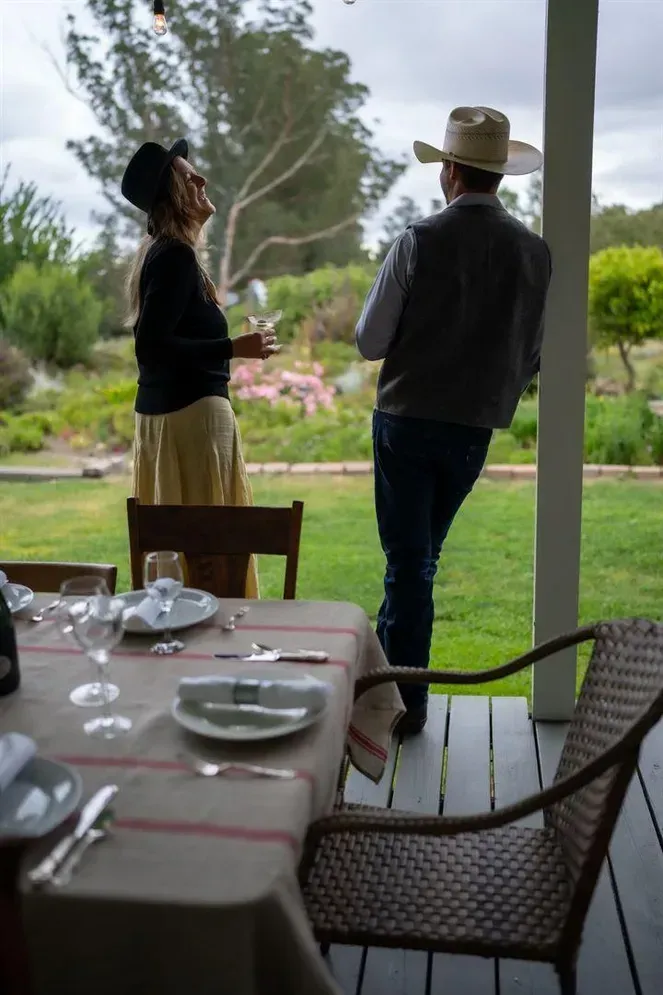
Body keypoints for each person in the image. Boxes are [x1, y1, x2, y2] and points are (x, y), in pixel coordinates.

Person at [356, 107, 552, 734]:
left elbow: (369, 340)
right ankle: (389, 691)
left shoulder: (418, 239)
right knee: (418, 562)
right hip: (473, 431)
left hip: (407, 423)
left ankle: (402, 704)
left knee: (410, 565)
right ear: (495, 174)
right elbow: (536, 349)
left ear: (450, 171)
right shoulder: (534, 252)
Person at [121, 139, 278, 598]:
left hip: (171, 422)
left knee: (183, 549)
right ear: (174, 195)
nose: (202, 180)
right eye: (190, 177)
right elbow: (150, 345)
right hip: (190, 424)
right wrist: (233, 346)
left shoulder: (165, 254)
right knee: (210, 548)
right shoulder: (174, 256)